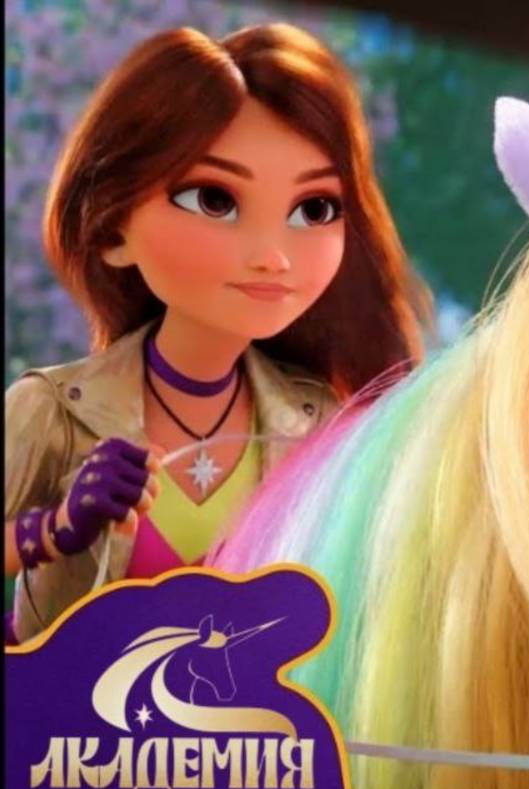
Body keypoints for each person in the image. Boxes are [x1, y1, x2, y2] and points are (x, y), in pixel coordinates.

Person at [3, 23, 430, 644]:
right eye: (213, 200)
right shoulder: (54, 413)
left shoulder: (319, 423)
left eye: (314, 209)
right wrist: (56, 529)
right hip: (69, 709)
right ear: (113, 230)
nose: (273, 257)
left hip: (249, 710)